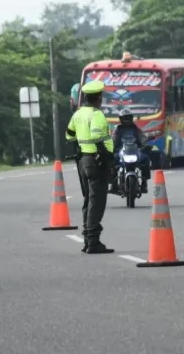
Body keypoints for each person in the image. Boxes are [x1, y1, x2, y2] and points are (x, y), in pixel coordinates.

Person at [65, 80, 115, 254]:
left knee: (88, 199)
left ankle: (87, 240)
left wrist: (81, 145)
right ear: (99, 98)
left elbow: (69, 135)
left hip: (83, 161)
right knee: (97, 200)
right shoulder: (97, 114)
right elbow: (96, 136)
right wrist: (106, 155)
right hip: (96, 161)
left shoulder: (78, 114)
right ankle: (93, 241)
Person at [110, 109, 151, 194]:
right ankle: (113, 185)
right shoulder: (117, 129)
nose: (126, 120)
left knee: (146, 159)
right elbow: (113, 140)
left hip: (135, 152)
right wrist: (111, 147)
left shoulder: (136, 129)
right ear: (120, 119)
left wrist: (145, 145)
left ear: (131, 118)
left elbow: (142, 138)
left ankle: (144, 183)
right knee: (111, 161)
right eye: (124, 118)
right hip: (121, 152)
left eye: (128, 118)